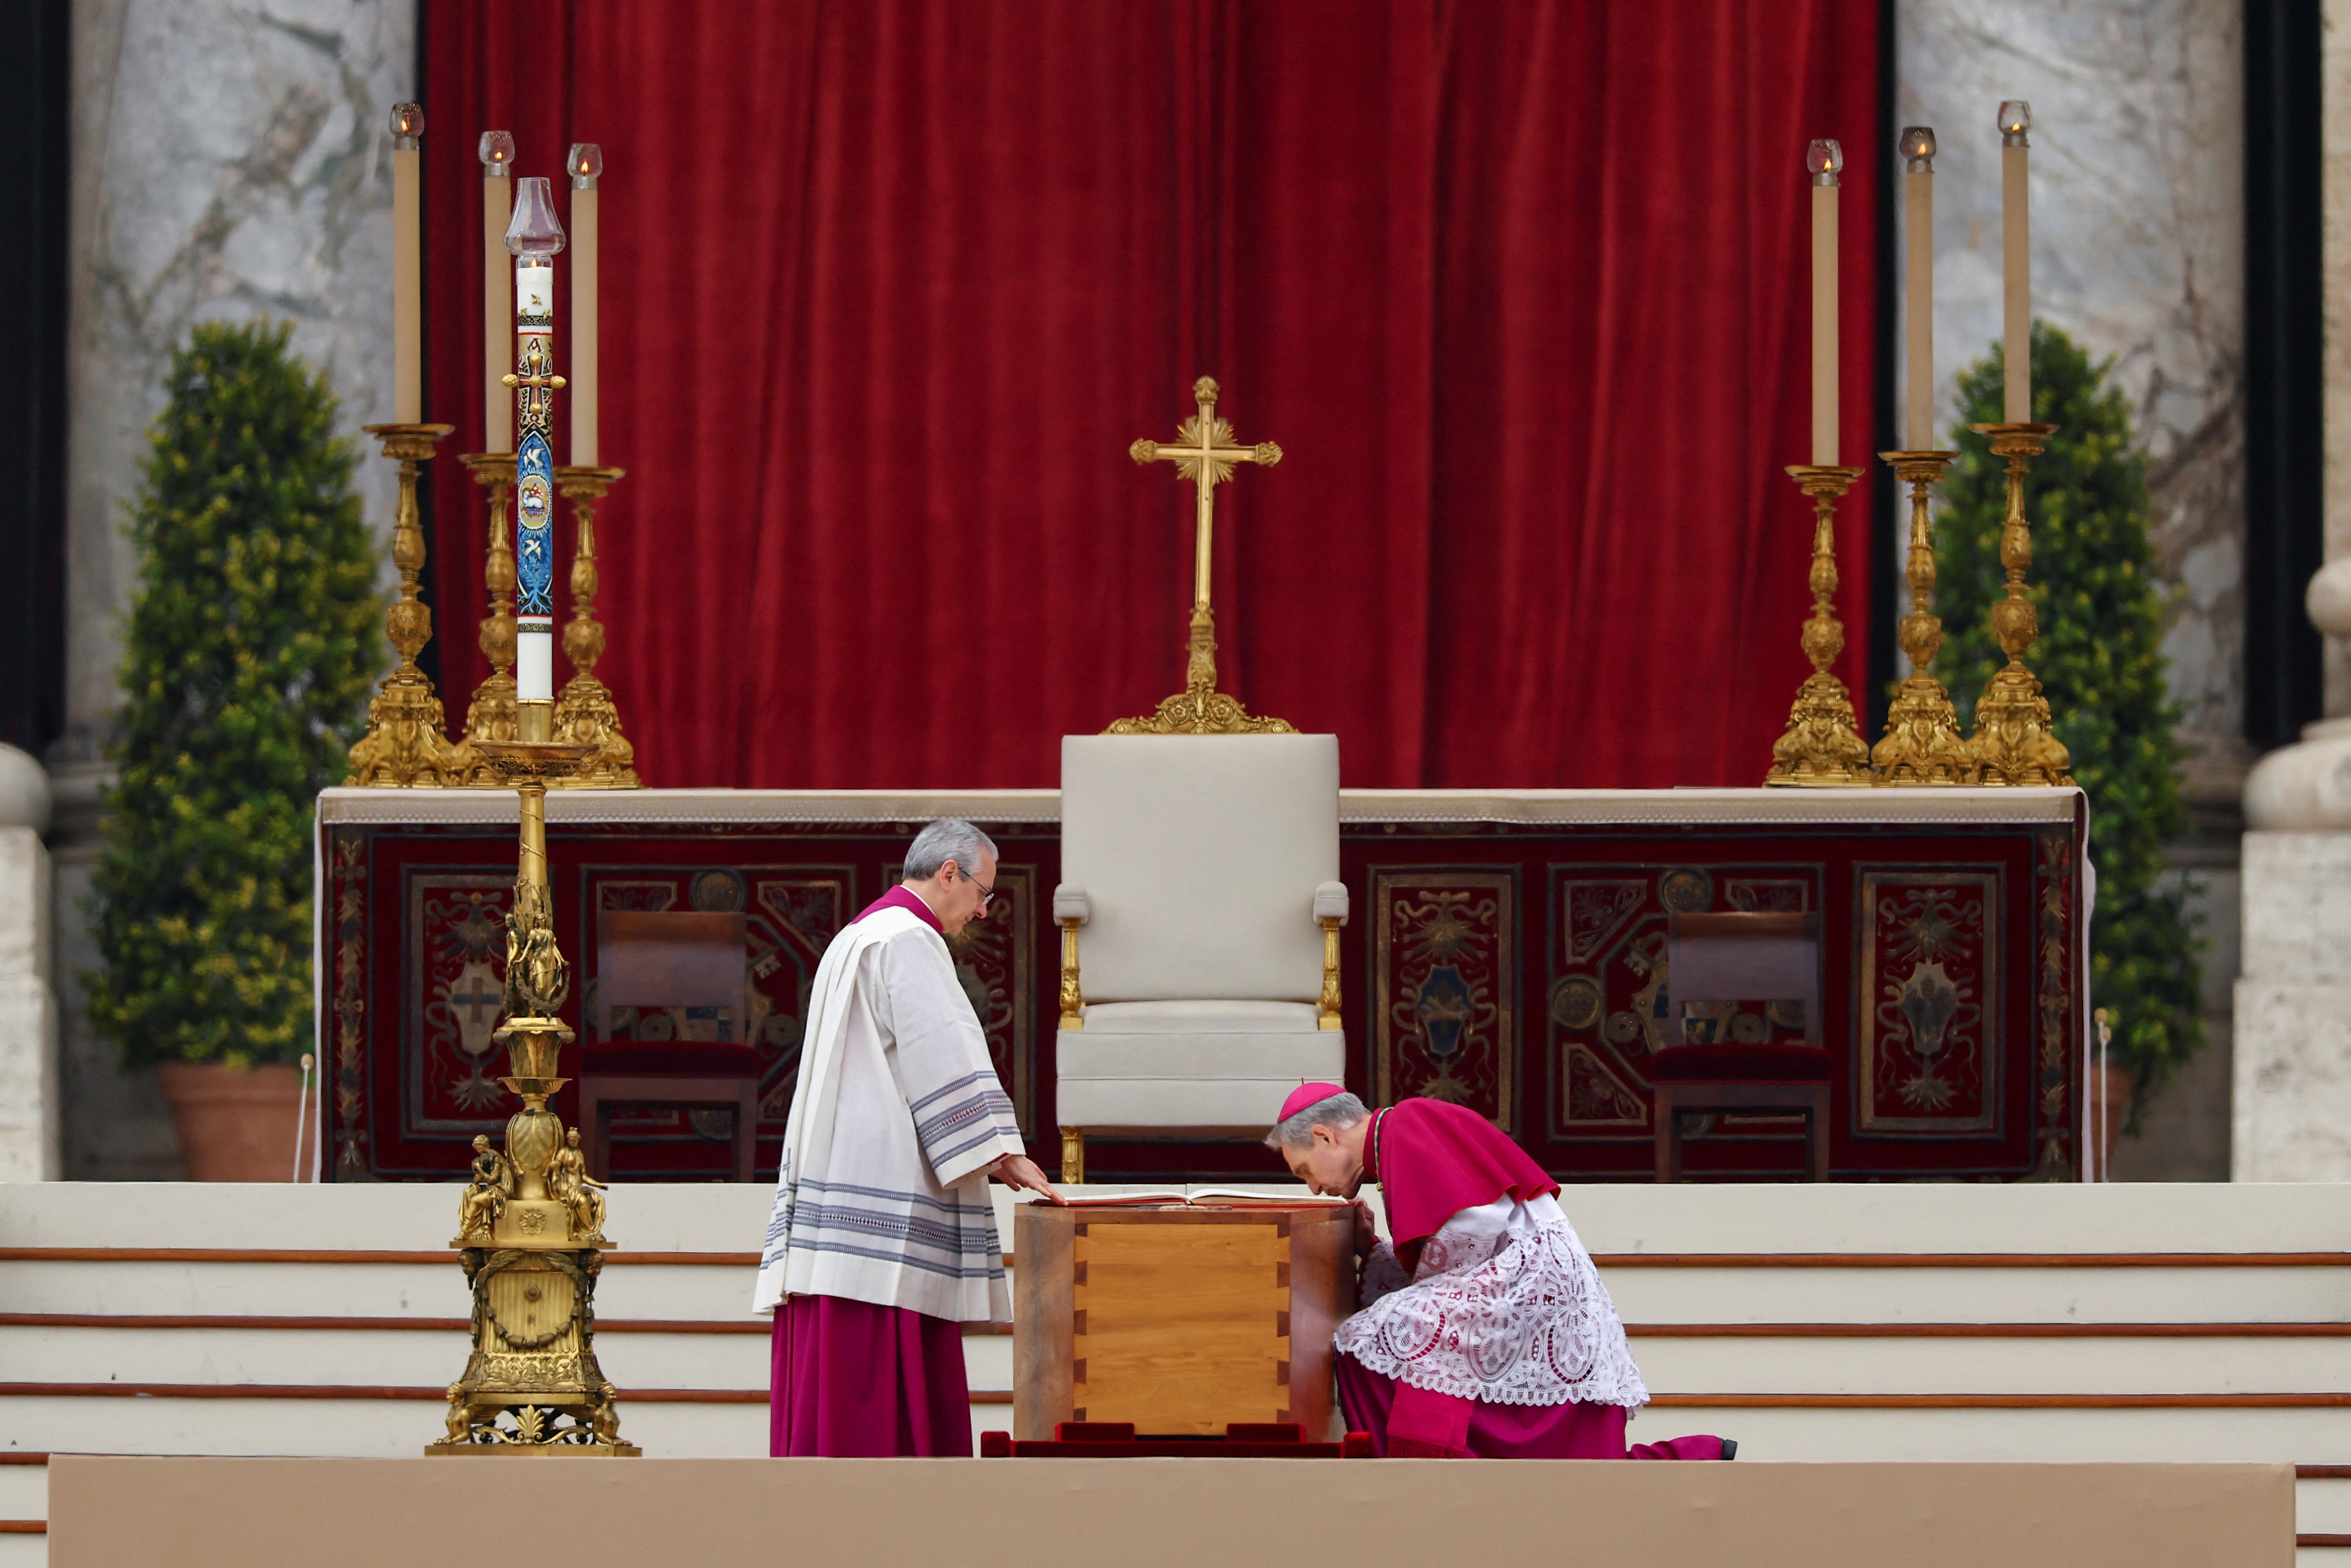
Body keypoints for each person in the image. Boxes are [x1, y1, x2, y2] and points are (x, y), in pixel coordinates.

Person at [752, 818, 1061, 1456]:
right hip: (883, 1169)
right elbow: (939, 1050)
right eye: (982, 892)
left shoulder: (857, 935)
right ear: (948, 873)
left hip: (841, 1163)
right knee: (882, 1331)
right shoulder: (909, 940)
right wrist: (1002, 1153)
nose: (981, 909)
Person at [1267, 1082, 1730, 1461]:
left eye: (1305, 1169)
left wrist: (1415, 1300)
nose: (1314, 1187)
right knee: (1389, 1330)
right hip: (1525, 1276)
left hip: (1527, 1278)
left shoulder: (1404, 1123)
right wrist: (1375, 1252)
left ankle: (1416, 1470)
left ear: (1326, 1136)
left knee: (1363, 1338)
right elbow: (1455, 1235)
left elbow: (1476, 1224)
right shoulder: (1393, 1134)